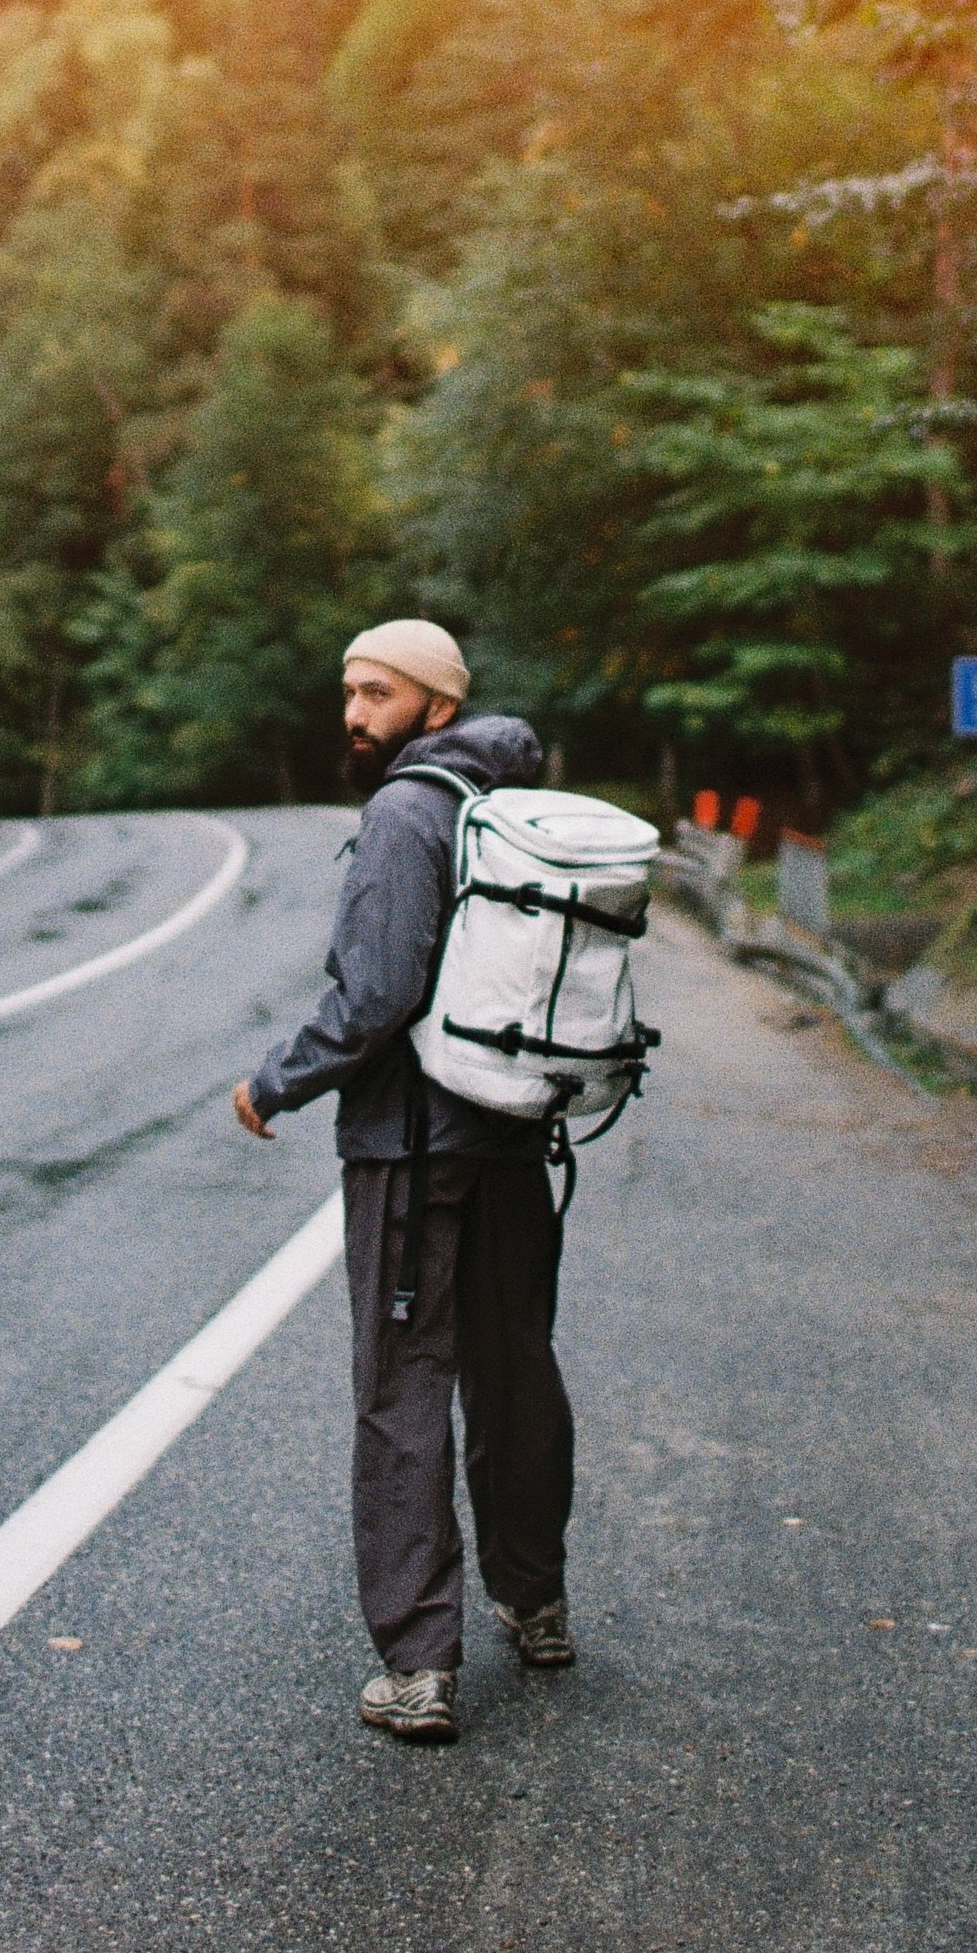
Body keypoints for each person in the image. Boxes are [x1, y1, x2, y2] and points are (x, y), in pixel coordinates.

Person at [232, 618, 577, 1744]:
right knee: (515, 1373)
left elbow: (375, 992)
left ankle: (420, 1665)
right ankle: (537, 1605)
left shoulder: (405, 812)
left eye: (376, 694)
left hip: (411, 1154)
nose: (352, 714)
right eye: (348, 691)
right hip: (514, 1141)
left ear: (436, 706)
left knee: (402, 1392)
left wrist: (279, 1080)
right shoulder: (506, 803)